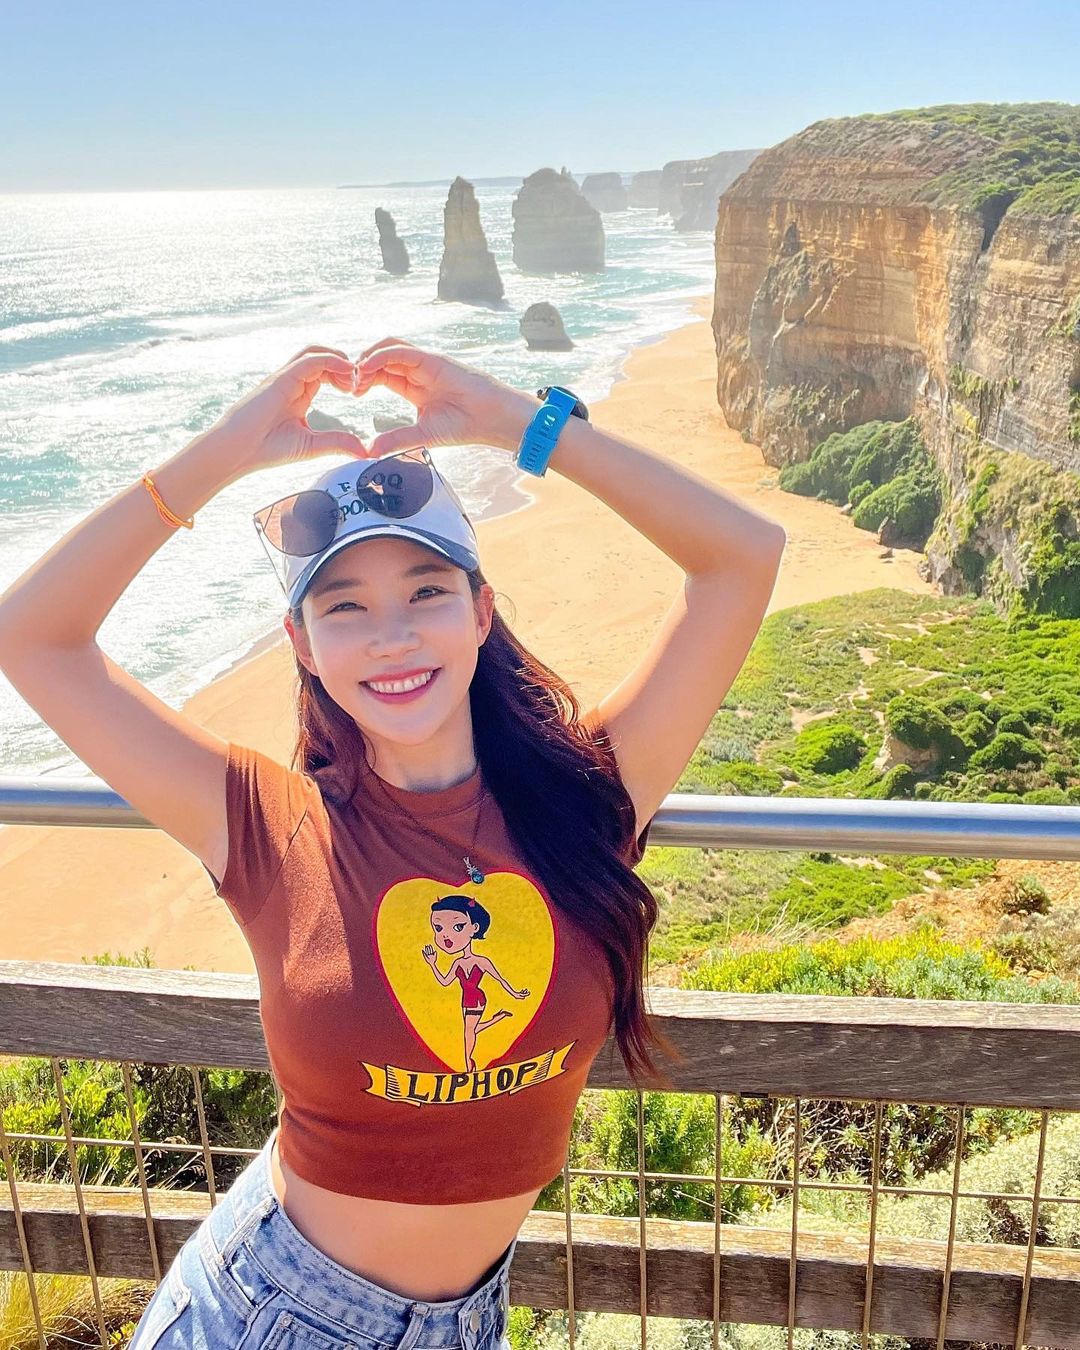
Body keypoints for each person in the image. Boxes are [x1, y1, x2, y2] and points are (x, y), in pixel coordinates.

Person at [0, 338, 787, 1348]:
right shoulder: (269, 824)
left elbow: (742, 558)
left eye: (426, 591)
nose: (393, 637)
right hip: (269, 1313)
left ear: (481, 610)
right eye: (346, 609)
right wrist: (229, 447)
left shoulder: (586, 796)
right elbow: (32, 635)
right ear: (301, 644)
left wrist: (520, 422)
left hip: (472, 1318)